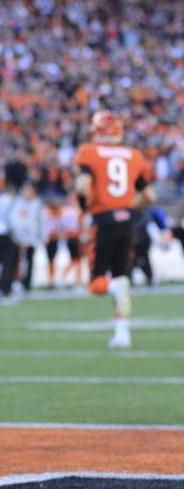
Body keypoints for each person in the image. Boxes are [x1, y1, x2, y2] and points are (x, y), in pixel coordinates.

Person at [74, 110, 154, 348]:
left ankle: (114, 291)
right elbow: (149, 195)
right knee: (122, 279)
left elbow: (82, 186)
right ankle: (123, 333)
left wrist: (85, 208)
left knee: (98, 283)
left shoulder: (90, 152)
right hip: (127, 219)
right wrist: (129, 206)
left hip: (104, 219)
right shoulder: (133, 155)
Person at [9, 182, 44, 292]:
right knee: (16, 262)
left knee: (29, 262)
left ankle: (27, 284)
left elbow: (41, 222)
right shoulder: (17, 203)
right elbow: (14, 220)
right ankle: (15, 282)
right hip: (18, 239)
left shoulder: (37, 204)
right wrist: (20, 237)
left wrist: (41, 237)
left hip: (31, 239)